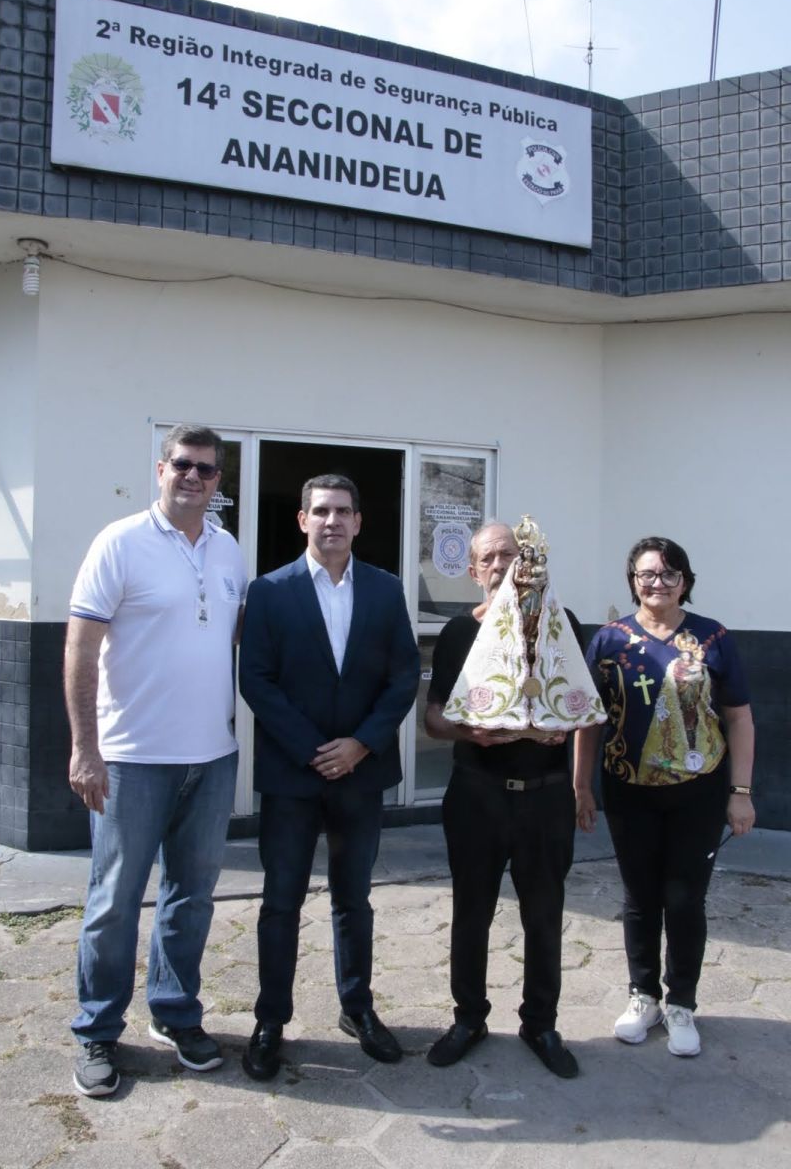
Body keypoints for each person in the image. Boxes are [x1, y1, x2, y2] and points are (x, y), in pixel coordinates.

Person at [65, 424, 247, 1097]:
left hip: (212, 757)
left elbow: (227, 642)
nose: (192, 476)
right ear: (160, 468)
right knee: (113, 901)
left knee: (191, 898)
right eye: (182, 464)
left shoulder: (229, 551)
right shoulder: (119, 543)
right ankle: (96, 1030)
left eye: (205, 469)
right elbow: (81, 649)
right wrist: (85, 747)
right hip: (133, 760)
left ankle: (174, 1014)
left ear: (218, 481)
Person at [238, 474, 420, 1082]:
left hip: (359, 777)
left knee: (353, 900)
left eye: (343, 510)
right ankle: (270, 1022)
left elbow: (403, 676)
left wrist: (361, 746)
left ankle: (357, 1009)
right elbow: (256, 679)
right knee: (280, 902)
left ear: (359, 521)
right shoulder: (269, 591)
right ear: (302, 520)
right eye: (320, 511)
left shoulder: (386, 589)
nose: (332, 521)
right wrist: (316, 750)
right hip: (293, 776)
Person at [574, 536, 755, 1057]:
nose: (657, 583)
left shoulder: (712, 637)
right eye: (646, 574)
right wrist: (581, 786)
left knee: (684, 898)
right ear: (632, 580)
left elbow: (740, 717)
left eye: (668, 574)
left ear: (686, 581)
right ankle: (643, 995)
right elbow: (589, 719)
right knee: (639, 897)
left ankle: (682, 1004)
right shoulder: (609, 641)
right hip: (628, 788)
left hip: (699, 791)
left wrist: (740, 793)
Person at [424, 522, 581, 1079]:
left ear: (528, 563)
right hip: (477, 795)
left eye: (509, 555)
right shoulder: (457, 634)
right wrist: (470, 733)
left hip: (545, 799)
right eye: (487, 558)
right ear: (472, 572)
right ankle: (469, 1018)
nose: (499, 566)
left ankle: (540, 1022)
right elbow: (434, 717)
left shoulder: (562, 626)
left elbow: (583, 708)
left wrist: (568, 737)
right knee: (471, 914)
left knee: (544, 917)